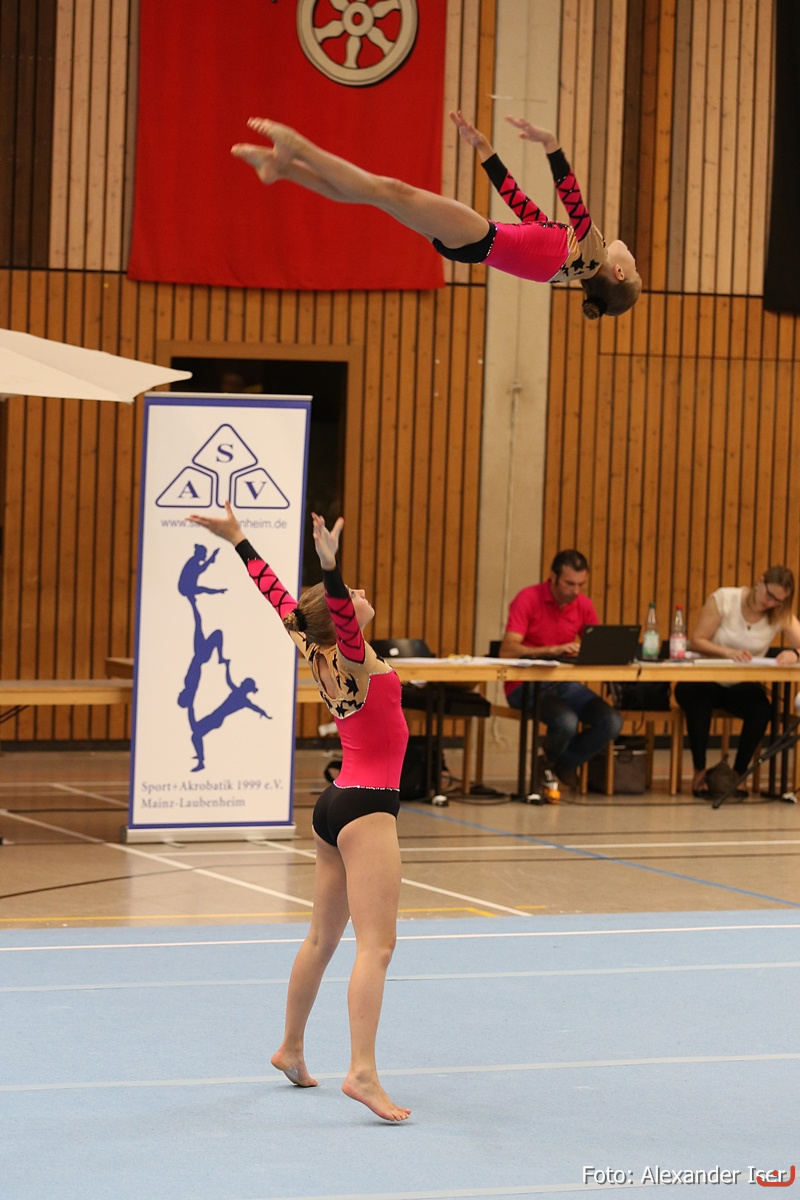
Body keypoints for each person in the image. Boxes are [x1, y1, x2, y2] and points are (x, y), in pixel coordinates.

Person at [187, 502, 411, 1123]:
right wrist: (331, 570)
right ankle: (361, 1073)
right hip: (367, 809)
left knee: (321, 937)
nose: (359, 595)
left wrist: (240, 539)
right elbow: (332, 609)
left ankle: (290, 1047)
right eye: (350, 595)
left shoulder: (311, 645)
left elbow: (279, 599)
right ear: (341, 621)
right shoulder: (352, 657)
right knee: (376, 948)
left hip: (334, 806)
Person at [231, 112, 641, 319]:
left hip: (481, 237)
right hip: (472, 244)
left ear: (618, 273)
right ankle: (283, 169)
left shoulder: (591, 255)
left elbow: (572, 196)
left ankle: (297, 147)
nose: (633, 257)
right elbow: (521, 204)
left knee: (390, 190)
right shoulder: (572, 260)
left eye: (634, 267)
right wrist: (484, 150)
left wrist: (551, 145)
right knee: (377, 196)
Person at [499, 550, 623, 787]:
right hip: (524, 684)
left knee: (611, 721)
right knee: (567, 721)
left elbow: (597, 646)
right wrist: (551, 650)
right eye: (569, 584)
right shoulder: (528, 598)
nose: (576, 591)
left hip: (564, 683)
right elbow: (508, 649)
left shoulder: (583, 604)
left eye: (580, 585)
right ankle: (553, 767)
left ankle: (554, 764)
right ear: (553, 578)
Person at [674, 567, 800, 798]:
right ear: (760, 582)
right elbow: (696, 641)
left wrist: (795, 654)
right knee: (699, 702)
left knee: (762, 709)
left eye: (778, 600)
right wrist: (728, 652)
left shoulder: (778, 612)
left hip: (739, 684)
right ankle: (699, 772)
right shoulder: (725, 599)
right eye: (769, 595)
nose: (770, 603)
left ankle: (738, 774)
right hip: (705, 677)